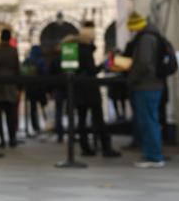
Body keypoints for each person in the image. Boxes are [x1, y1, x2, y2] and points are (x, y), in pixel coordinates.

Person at [67, 22, 121, 158]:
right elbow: (91, 71)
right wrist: (104, 65)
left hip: (77, 89)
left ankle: (85, 148)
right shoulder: (85, 51)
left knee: (81, 119)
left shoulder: (71, 49)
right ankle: (105, 147)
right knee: (98, 119)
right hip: (89, 89)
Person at [126, 12, 165, 168]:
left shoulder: (146, 39)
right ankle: (152, 153)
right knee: (150, 119)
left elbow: (144, 63)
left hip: (146, 85)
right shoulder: (153, 35)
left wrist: (132, 78)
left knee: (148, 120)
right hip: (153, 85)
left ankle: (154, 156)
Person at [22, 45, 48, 138]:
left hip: (30, 88)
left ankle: (35, 126)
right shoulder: (41, 60)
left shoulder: (27, 61)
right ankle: (46, 124)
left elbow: (23, 74)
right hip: (40, 88)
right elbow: (45, 73)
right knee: (43, 106)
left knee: (33, 108)